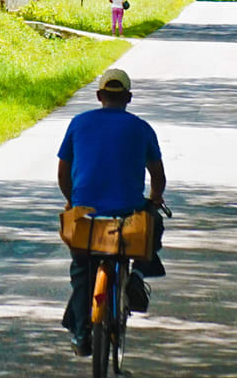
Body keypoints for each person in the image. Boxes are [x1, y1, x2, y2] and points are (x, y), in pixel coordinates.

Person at [57, 67, 167, 356]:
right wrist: (154, 200)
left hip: (86, 218)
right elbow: (157, 176)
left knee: (82, 272)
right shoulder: (141, 128)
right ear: (128, 98)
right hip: (126, 215)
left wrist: (72, 200)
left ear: (99, 96)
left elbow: (63, 172)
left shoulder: (79, 123)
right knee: (153, 226)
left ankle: (82, 337)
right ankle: (138, 278)